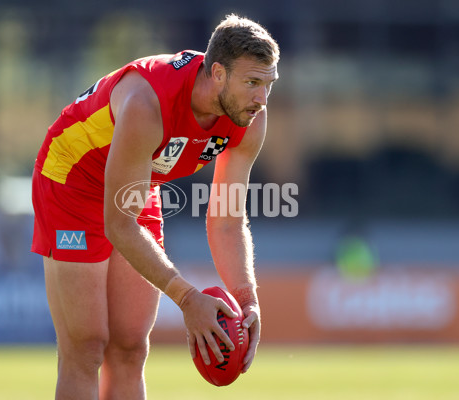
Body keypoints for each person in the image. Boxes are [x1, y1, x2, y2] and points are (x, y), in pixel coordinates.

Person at [31, 14, 279, 400]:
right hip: (72, 180)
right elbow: (120, 224)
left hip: (136, 181)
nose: (262, 99)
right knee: (86, 346)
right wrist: (186, 298)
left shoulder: (250, 117)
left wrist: (247, 298)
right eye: (252, 83)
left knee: (130, 346)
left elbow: (228, 220)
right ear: (217, 74)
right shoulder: (148, 102)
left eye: (268, 84)